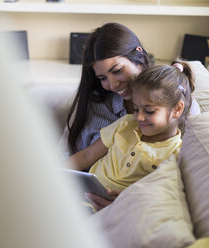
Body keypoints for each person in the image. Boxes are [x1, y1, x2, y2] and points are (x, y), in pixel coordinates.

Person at [69, 62, 195, 211]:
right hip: (81, 196)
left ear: (177, 109)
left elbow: (158, 199)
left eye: (149, 111)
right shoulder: (126, 124)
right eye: (136, 108)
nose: (139, 117)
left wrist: (124, 201)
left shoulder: (175, 154)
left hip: (116, 211)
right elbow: (87, 155)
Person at [63, 22, 200, 157]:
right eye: (102, 78)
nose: (113, 85)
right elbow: (68, 152)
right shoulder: (95, 100)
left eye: (117, 70)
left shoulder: (177, 100)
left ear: (138, 55)